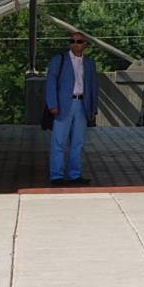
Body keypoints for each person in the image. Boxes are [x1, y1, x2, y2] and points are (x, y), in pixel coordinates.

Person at [44, 31, 100, 185]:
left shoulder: (89, 63)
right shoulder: (59, 60)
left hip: (82, 104)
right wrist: (52, 104)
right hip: (63, 105)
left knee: (78, 142)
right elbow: (50, 82)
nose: (75, 44)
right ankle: (56, 175)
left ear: (85, 45)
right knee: (58, 142)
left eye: (79, 41)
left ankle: (75, 175)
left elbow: (93, 86)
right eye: (73, 41)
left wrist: (94, 108)